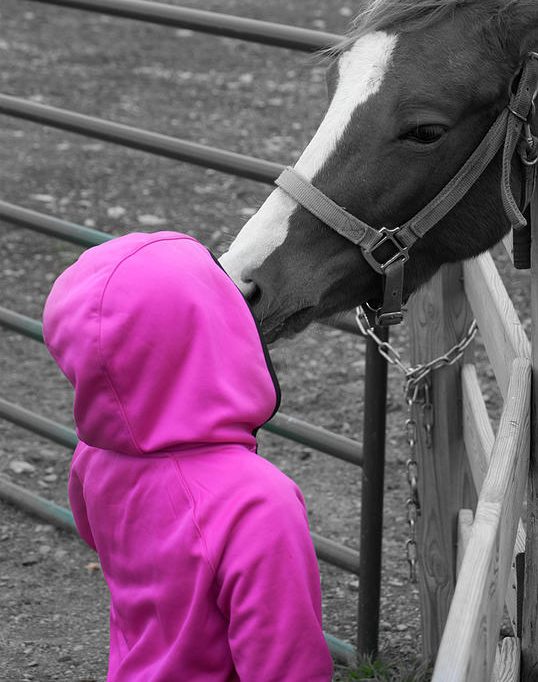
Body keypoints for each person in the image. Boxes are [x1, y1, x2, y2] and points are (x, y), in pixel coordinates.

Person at [43, 230, 333, 682]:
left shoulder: (92, 458)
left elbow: (96, 537)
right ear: (219, 328)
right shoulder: (257, 504)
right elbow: (288, 666)